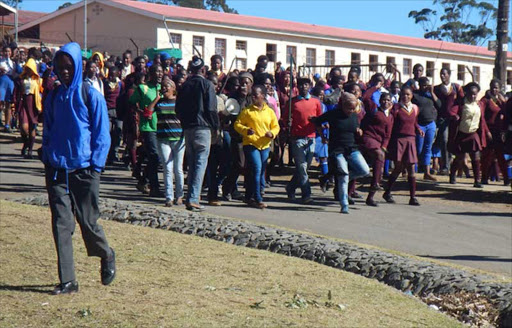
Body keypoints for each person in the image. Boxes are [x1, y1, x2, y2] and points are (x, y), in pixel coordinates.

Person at [42, 42, 115, 295]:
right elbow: (48, 129)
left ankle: (106, 253)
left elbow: (102, 133)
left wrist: (96, 167)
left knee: (88, 222)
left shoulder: (90, 94)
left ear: (78, 66)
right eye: (59, 67)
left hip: (84, 170)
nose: (63, 72)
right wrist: (47, 155)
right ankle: (68, 281)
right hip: (56, 170)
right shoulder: (52, 96)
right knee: (61, 225)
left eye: (68, 67)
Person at [311, 93, 370, 214]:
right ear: (342, 105)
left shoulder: (354, 116)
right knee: (343, 175)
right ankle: (344, 204)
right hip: (337, 149)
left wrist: (359, 131)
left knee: (364, 170)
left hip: (351, 148)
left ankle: (335, 177)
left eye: (353, 108)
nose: (351, 110)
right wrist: (322, 136)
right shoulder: (334, 114)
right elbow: (317, 121)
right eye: (349, 108)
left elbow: (355, 127)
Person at [176, 56, 219, 211]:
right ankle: (194, 198)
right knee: (200, 163)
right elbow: (211, 109)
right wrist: (216, 126)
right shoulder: (207, 85)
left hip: (188, 128)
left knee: (192, 163)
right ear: (204, 69)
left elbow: (178, 109)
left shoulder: (185, 85)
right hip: (203, 128)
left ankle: (191, 196)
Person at [234, 84, 280, 209]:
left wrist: (272, 134)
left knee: (259, 171)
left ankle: (250, 195)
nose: (253, 97)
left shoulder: (269, 111)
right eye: (252, 95)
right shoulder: (247, 111)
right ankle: (258, 197)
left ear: (263, 96)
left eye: (256, 95)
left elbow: (276, 126)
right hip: (251, 144)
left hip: (264, 145)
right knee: (257, 168)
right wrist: (245, 130)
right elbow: (237, 124)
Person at [283, 77, 322, 204]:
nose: (303, 87)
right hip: (297, 138)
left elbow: (320, 119)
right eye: (300, 85)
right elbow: (284, 118)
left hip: (311, 137)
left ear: (309, 86)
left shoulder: (315, 102)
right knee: (302, 166)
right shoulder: (292, 102)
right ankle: (306, 194)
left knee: (305, 167)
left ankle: (291, 187)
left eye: (305, 85)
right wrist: (288, 123)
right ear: (297, 87)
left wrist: (320, 130)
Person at [384, 85, 424, 206]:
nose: (406, 97)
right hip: (399, 139)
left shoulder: (415, 108)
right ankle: (387, 191)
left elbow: (414, 121)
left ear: (412, 96)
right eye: (404, 94)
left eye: (408, 94)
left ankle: (413, 197)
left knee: (411, 168)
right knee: (398, 167)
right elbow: (391, 124)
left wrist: (418, 129)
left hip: (411, 139)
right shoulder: (396, 108)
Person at [130, 63, 164, 197]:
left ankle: (143, 179)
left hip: (162, 126)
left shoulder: (163, 88)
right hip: (148, 126)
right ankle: (154, 187)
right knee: (154, 156)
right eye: (157, 71)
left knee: (155, 157)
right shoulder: (143, 88)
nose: (160, 74)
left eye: (161, 72)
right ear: (151, 73)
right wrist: (139, 111)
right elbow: (132, 102)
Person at [448, 82, 490, 188]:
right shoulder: (461, 104)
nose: (473, 96)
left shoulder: (480, 105)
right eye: (471, 94)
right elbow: (451, 111)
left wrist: (487, 131)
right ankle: (452, 175)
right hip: (462, 133)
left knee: (475, 157)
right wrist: (455, 116)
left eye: (475, 94)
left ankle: (477, 180)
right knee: (460, 157)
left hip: (473, 134)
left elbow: (482, 120)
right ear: (467, 93)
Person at [151, 75, 185, 207]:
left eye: (167, 86)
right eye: (162, 86)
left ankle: (179, 195)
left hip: (178, 138)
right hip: (163, 138)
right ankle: (169, 197)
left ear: (174, 89)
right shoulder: (159, 102)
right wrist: (156, 99)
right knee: (167, 168)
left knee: (178, 168)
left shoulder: (179, 102)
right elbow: (148, 112)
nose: (164, 88)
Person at [360, 93, 393, 206]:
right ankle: (375, 183)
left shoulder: (390, 116)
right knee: (379, 156)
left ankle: (370, 197)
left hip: (379, 143)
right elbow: (365, 98)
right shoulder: (374, 110)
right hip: (368, 138)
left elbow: (388, 135)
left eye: (388, 100)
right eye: (384, 100)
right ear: (380, 100)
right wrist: (376, 86)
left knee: (377, 164)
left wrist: (384, 146)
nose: (386, 102)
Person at [433, 68, 463, 175]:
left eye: (444, 74)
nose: (442, 76)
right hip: (443, 120)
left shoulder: (456, 87)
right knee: (444, 141)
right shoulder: (437, 89)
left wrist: (458, 114)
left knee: (452, 142)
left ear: (449, 75)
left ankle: (453, 165)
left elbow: (461, 102)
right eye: (441, 74)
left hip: (454, 120)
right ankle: (445, 167)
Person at [480, 79, 509, 186]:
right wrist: (486, 131)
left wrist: (504, 103)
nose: (494, 89)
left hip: (499, 132)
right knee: (487, 155)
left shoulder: (501, 101)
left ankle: (506, 178)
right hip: (489, 131)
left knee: (500, 156)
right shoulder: (485, 100)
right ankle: (484, 177)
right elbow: (482, 117)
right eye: (492, 87)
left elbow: (506, 113)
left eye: (496, 87)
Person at [412, 77, 440, 181]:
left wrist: (432, 92)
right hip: (420, 124)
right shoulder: (415, 95)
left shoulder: (430, 95)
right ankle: (412, 170)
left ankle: (427, 173)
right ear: (419, 85)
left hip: (430, 124)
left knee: (428, 148)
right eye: (423, 85)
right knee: (418, 149)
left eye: (427, 85)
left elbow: (439, 104)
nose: (425, 87)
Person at [18, 58, 43, 159]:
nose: (28, 70)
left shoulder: (37, 80)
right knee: (24, 128)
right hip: (23, 102)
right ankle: (26, 143)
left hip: (33, 103)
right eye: (27, 68)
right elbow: (18, 91)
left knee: (32, 126)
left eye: (30, 68)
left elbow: (42, 90)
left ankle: (30, 150)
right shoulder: (21, 79)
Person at [103, 66, 123, 164]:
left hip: (118, 110)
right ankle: (106, 154)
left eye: (113, 75)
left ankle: (114, 153)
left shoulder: (120, 84)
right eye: (110, 75)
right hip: (107, 110)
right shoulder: (104, 83)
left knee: (118, 133)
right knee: (107, 132)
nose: (111, 77)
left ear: (117, 74)